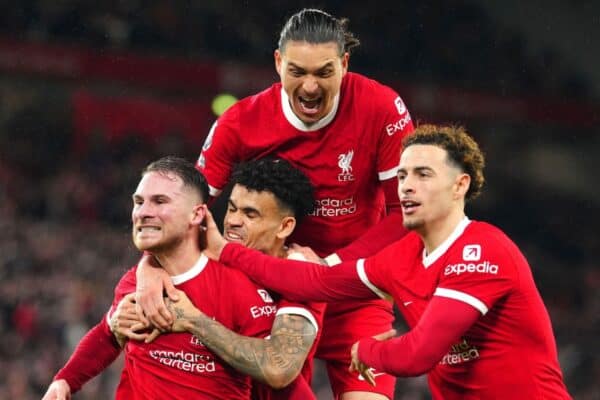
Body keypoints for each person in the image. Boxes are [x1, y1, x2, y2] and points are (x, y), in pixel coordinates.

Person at [137, 8, 414, 399]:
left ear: (345, 64)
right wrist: (148, 267)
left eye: (324, 72)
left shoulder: (382, 109)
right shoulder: (239, 122)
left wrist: (329, 269)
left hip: (353, 295)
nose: (311, 87)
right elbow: (186, 206)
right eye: (298, 72)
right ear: (278, 62)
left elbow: (407, 214)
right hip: (265, 293)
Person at [200, 124, 573, 399]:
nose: (406, 186)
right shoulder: (401, 257)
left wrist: (368, 351)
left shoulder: (483, 249)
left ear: (460, 185)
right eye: (403, 175)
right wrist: (227, 251)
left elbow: (418, 354)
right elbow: (317, 282)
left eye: (423, 175)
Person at [42, 157, 325, 400]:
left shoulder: (303, 276)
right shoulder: (169, 268)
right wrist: (149, 267)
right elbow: (107, 331)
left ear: (284, 226)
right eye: (232, 208)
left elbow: (278, 372)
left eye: (250, 214)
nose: (234, 222)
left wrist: (191, 319)